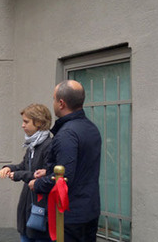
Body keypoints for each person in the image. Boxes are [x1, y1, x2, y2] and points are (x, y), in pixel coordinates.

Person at [30, 80, 102, 241]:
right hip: (90, 209)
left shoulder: (67, 134)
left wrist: (38, 184)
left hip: (69, 215)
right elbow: (81, 165)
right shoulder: (91, 128)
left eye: (54, 99)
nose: (53, 102)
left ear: (61, 103)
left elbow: (64, 177)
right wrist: (48, 171)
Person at [0, 104, 53, 242]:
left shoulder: (48, 145)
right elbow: (23, 166)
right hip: (28, 207)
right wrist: (9, 168)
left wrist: (18, 175)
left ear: (39, 122)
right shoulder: (32, 146)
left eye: (26, 121)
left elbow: (41, 174)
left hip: (40, 207)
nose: (22, 125)